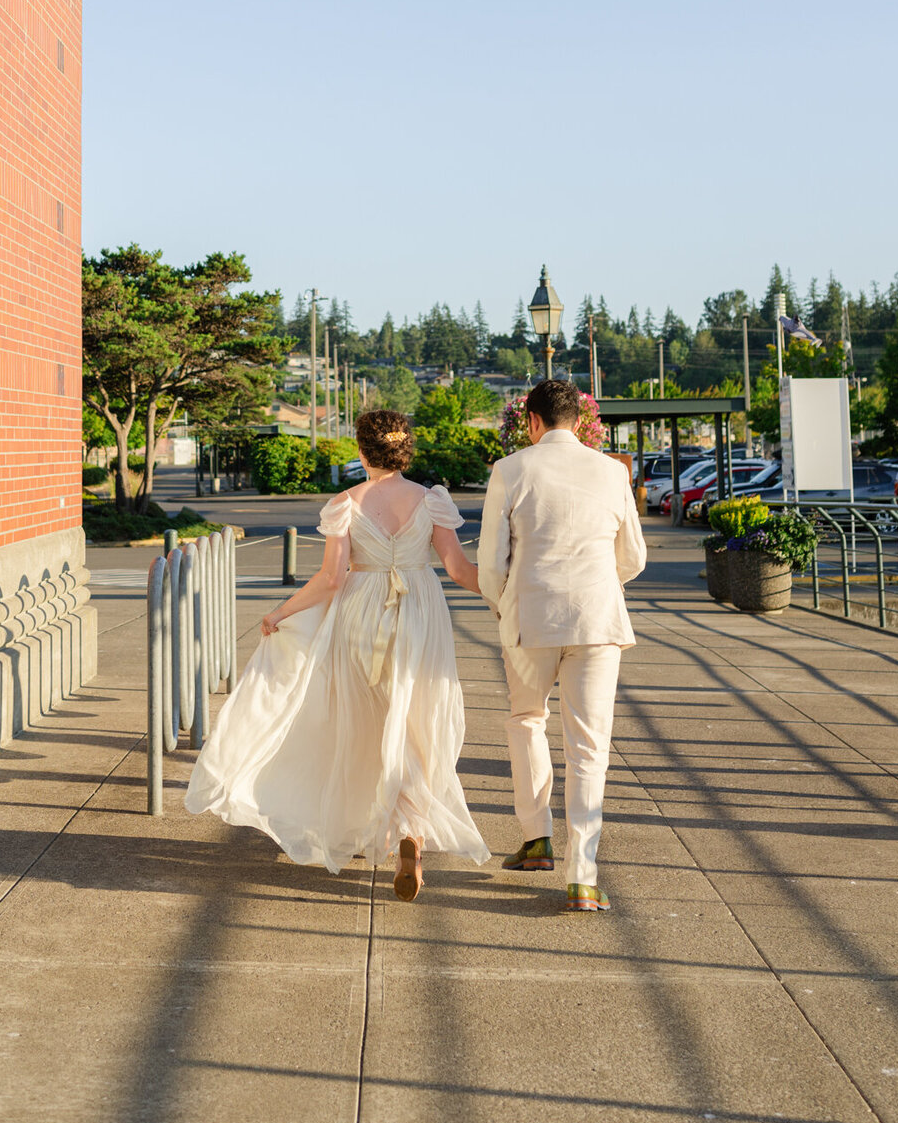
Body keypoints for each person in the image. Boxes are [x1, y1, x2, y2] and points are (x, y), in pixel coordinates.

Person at [185, 408, 489, 900]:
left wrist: (280, 612)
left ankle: (386, 826)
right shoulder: (432, 500)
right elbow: (458, 569)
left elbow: (332, 579)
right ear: (405, 449)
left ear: (363, 450)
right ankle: (411, 832)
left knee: (367, 722)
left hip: (361, 611)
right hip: (420, 611)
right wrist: (506, 594)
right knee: (414, 718)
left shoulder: (346, 503)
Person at [477, 377, 647, 913]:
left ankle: (535, 839)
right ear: (579, 420)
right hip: (597, 617)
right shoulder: (612, 472)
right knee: (590, 746)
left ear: (531, 421)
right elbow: (635, 556)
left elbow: (489, 561)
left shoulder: (510, 471)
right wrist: (602, 582)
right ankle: (583, 876)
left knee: (527, 719)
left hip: (532, 615)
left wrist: (505, 601)